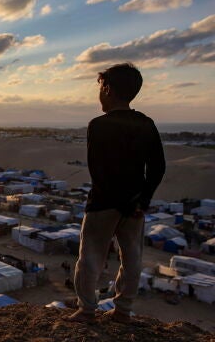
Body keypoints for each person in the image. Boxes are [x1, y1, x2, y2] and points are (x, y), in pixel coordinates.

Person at [65, 63, 165, 324]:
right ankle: (123, 310)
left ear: (107, 89)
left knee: (90, 259)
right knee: (132, 258)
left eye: (100, 88)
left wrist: (119, 201)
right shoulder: (146, 123)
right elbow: (157, 167)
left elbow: (97, 170)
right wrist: (142, 199)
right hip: (135, 205)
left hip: (103, 204)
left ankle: (87, 310)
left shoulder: (98, 125)